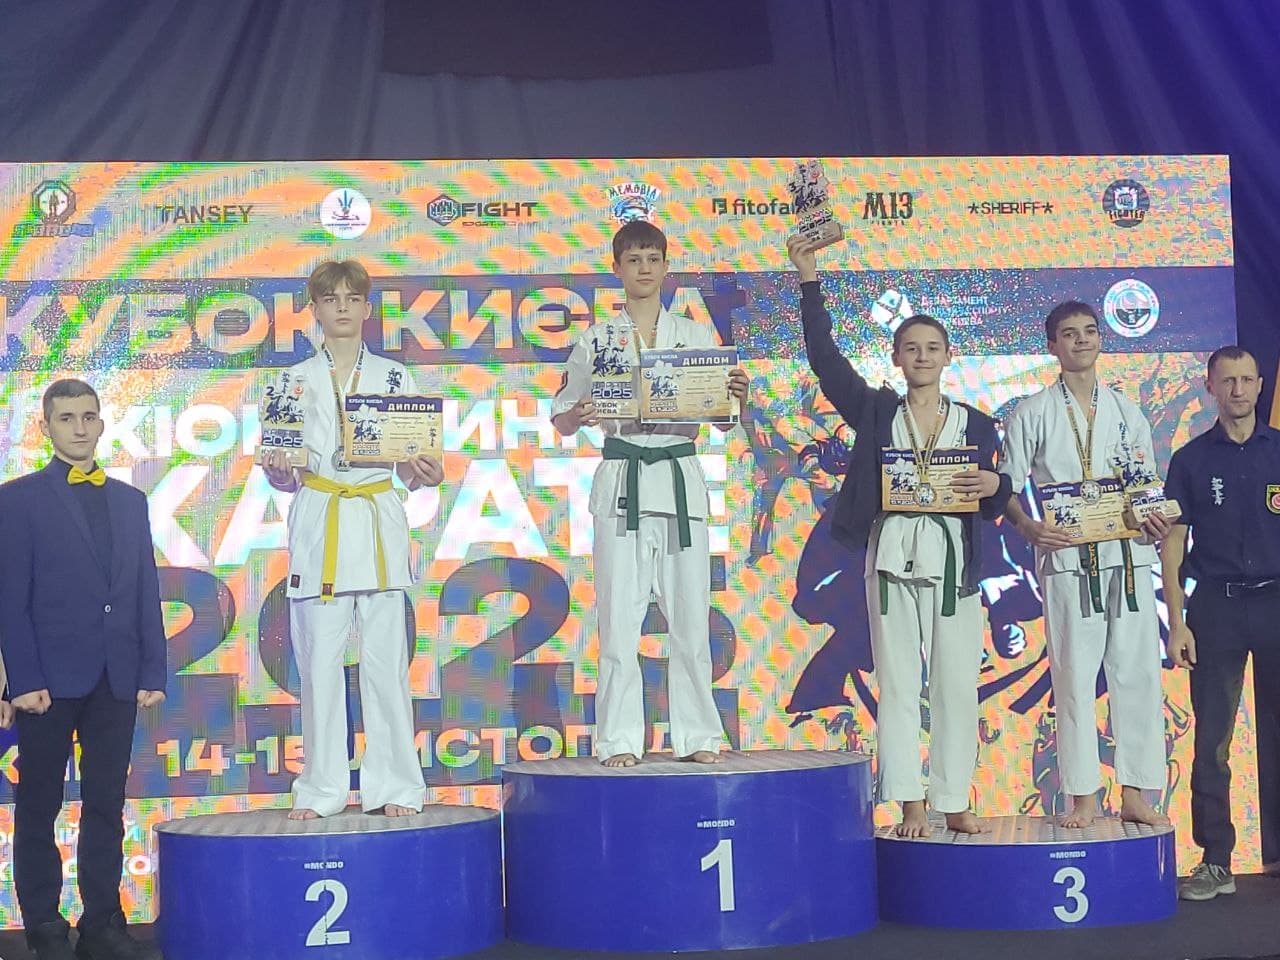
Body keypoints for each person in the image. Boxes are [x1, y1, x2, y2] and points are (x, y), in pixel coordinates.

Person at [788, 234, 1012, 836]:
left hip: (954, 562)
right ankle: (910, 801)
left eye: (932, 348)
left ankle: (954, 798)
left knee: (956, 684)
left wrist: (994, 481)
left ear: (948, 356)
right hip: (890, 556)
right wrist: (809, 280)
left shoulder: (976, 424)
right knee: (897, 683)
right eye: (911, 348)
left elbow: (999, 493)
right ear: (895, 357)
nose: (922, 356)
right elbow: (825, 360)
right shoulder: (876, 412)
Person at [551, 220, 748, 767]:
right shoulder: (596, 340)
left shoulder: (696, 337)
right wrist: (579, 414)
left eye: (652, 259)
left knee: (690, 618)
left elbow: (723, 421)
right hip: (623, 480)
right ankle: (618, 739)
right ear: (616, 268)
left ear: (666, 267)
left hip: (679, 478)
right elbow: (562, 419)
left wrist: (736, 394)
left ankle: (700, 735)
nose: (643, 268)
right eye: (633, 259)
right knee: (619, 620)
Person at [262, 260, 441, 818]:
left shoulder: (395, 378)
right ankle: (321, 789)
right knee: (319, 665)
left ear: (367, 308)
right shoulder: (289, 382)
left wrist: (425, 471)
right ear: (313, 309)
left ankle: (395, 786)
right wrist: (278, 471)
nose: (341, 307)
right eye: (330, 298)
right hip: (321, 516)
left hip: (376, 516)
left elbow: (414, 465)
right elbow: (281, 473)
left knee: (386, 665)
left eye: (351, 298)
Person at [0, 379, 167, 960]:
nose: (79, 427)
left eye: (88, 416)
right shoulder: (18, 499)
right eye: (66, 417)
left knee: (106, 806)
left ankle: (103, 923)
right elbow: (10, 598)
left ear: (101, 424)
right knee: (38, 806)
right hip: (47, 682)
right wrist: (23, 680)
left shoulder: (131, 501)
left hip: (116, 677)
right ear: (45, 426)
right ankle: (44, 925)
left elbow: (144, 587)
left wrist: (152, 669)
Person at [999, 301, 1171, 828]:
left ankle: (1138, 791)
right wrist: (1029, 528)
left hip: (1128, 555)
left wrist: (1155, 519)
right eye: (1069, 334)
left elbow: (1146, 483)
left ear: (1101, 339)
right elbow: (1005, 486)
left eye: (1090, 331)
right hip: (1068, 557)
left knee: (1138, 674)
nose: (1081, 340)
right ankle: (1082, 795)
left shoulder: (1126, 411)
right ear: (1052, 346)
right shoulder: (1032, 412)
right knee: (1073, 676)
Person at [1161, 345, 1280, 899]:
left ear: (1259, 385)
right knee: (1211, 741)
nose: (1238, 390)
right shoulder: (1190, 460)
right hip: (1215, 606)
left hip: (1277, 600)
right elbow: (1172, 544)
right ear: (1210, 386)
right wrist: (1176, 622)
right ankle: (1215, 860)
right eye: (1227, 380)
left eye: (1247, 380)